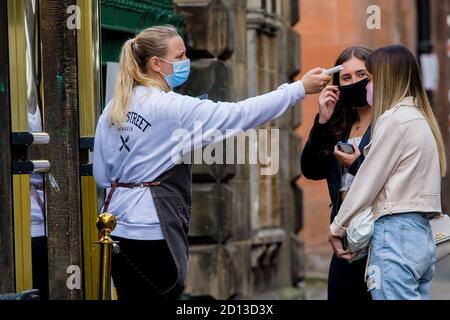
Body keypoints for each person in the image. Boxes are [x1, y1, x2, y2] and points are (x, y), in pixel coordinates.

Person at [93, 25, 330, 300]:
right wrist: (298, 89)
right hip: (155, 230)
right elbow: (240, 114)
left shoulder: (114, 107)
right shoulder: (172, 107)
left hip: (117, 229)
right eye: (179, 57)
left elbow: (101, 175)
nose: (185, 62)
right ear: (156, 63)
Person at [328, 45, 446, 300]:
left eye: (369, 79)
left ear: (385, 79)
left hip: (394, 234)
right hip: (420, 237)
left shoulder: (393, 120)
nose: (366, 86)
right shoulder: (419, 118)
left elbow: (368, 181)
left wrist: (337, 227)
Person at [301, 46, 373, 300]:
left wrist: (355, 163)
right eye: (346, 78)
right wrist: (322, 120)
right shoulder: (339, 124)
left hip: (381, 239)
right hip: (345, 239)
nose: (354, 82)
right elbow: (310, 169)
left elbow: (389, 178)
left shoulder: (389, 122)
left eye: (362, 75)